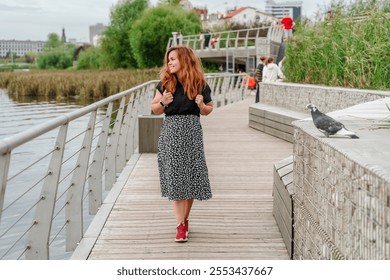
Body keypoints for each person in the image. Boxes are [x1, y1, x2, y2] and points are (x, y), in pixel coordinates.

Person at [151, 45, 213, 242]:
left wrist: (202, 105)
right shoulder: (165, 84)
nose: (169, 62)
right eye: (168, 59)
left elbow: (208, 109)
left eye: (173, 59)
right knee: (176, 178)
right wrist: (163, 103)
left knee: (191, 178)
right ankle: (180, 226)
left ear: (185, 60)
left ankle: (184, 220)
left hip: (192, 132)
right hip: (171, 133)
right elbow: (154, 109)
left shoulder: (199, 83)